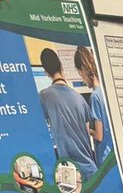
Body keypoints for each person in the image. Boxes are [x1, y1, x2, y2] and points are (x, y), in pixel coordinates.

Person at [38, 49, 97, 179]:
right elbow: (87, 134)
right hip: (92, 171)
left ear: (46, 72)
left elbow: (39, 131)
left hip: (72, 174)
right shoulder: (80, 98)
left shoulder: (44, 96)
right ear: (61, 66)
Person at [73, 46, 113, 166]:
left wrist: (84, 128)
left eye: (81, 75)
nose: (83, 80)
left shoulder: (95, 96)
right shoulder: (106, 91)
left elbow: (99, 136)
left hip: (104, 159)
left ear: (83, 71)